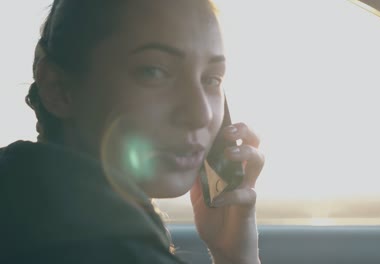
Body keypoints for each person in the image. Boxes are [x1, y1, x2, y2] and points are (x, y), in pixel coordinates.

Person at [0, 0, 265, 263]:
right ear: (58, 88)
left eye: (211, 79)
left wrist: (232, 255)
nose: (201, 115)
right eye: (154, 71)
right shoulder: (112, 249)